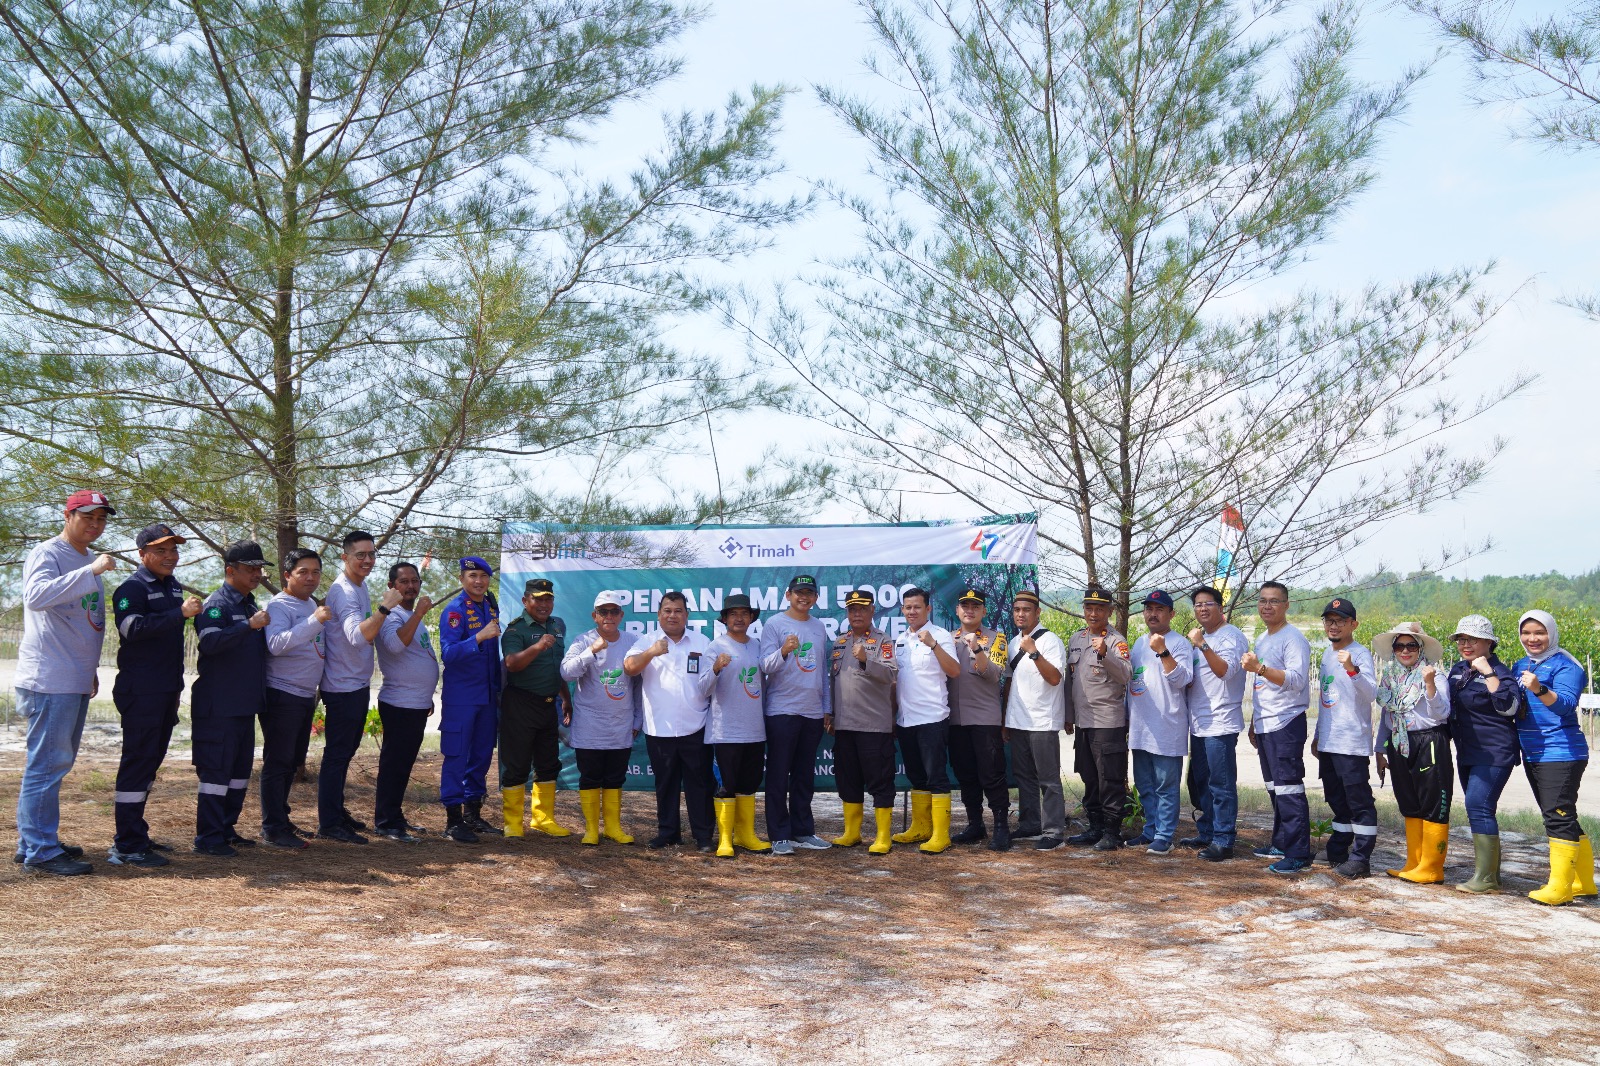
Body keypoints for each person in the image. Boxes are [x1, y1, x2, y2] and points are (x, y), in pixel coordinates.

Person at [14, 490, 117, 876]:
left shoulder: (87, 558)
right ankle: (41, 850)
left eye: (101, 519)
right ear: (67, 515)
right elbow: (36, 597)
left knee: (55, 763)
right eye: (87, 516)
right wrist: (90, 572)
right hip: (49, 678)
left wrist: (89, 668)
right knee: (46, 765)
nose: (95, 524)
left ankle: (33, 841)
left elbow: (84, 621)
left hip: (73, 677)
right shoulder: (49, 553)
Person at [107, 523, 202, 868]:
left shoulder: (171, 585)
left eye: (173, 549)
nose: (170, 556)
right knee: (137, 763)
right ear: (142, 554)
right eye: (161, 550)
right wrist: (179, 614)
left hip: (165, 689)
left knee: (149, 764)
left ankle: (136, 834)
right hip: (141, 691)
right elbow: (131, 629)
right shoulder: (131, 588)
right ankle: (127, 845)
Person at [318, 530, 402, 844]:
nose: (367, 560)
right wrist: (385, 608)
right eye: (360, 555)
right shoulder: (344, 591)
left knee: (345, 752)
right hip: (342, 686)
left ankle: (336, 812)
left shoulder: (359, 585)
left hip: (355, 683)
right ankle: (329, 823)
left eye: (371, 554)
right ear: (345, 557)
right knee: (337, 755)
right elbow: (358, 636)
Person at [190, 541, 272, 857]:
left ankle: (225, 829)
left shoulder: (250, 604)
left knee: (238, 774)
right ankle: (208, 837)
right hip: (218, 705)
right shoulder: (217, 604)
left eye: (259, 568)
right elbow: (210, 643)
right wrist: (247, 626)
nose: (256, 574)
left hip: (244, 705)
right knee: (216, 772)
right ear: (230, 570)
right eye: (250, 568)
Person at [624, 590, 718, 851]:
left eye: (678, 611)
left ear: (687, 615)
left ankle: (703, 836)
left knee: (700, 784)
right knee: (665, 784)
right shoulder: (647, 641)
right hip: (659, 727)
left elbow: (712, 678)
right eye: (667, 610)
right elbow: (629, 668)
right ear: (659, 614)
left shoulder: (702, 642)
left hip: (696, 724)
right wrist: (651, 652)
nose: (672, 615)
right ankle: (668, 833)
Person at [1512, 610, 1594, 906]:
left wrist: (1539, 688)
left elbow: (1567, 705)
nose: (1532, 638)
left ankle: (1560, 888)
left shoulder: (1567, 665)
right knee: (1562, 815)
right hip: (1533, 751)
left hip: (1561, 751)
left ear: (1552, 633)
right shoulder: (1521, 664)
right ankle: (1583, 882)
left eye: (1540, 632)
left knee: (1557, 817)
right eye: (1526, 632)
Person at [1239, 581, 1313, 874]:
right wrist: (1254, 722)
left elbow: (1297, 680)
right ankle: (1282, 842)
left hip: (1286, 721)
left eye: (1274, 601)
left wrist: (1260, 668)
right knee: (1275, 788)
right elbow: (1262, 687)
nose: (1267, 606)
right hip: (1266, 722)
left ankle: (1298, 853)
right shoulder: (1263, 638)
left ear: (1286, 605)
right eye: (1262, 601)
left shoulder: (1293, 639)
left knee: (1289, 787)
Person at [1446, 615, 1522, 894]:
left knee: (1478, 804)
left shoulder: (1500, 672)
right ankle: (1492, 875)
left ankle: (1486, 878)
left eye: (1473, 640)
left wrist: (1488, 673)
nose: (1466, 645)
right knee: (1480, 808)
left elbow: (1509, 707)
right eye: (1461, 639)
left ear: (1489, 642)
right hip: (1466, 750)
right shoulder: (1458, 670)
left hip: (1494, 751)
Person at [758, 574, 833, 853]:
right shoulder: (774, 624)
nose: (804, 597)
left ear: (816, 598)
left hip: (812, 712)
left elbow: (822, 671)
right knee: (778, 774)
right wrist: (784, 651)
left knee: (804, 775)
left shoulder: (818, 626)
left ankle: (803, 831)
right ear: (788, 595)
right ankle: (779, 835)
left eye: (809, 593)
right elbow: (765, 666)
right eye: (799, 592)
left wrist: (826, 708)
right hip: (782, 710)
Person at [261, 548, 330, 849]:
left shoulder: (311, 603)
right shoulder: (279, 605)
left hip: (303, 694)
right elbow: (276, 644)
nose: (311, 578)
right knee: (278, 762)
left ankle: (281, 818)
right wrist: (314, 620)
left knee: (291, 762)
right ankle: (272, 828)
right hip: (282, 692)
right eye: (303, 572)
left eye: (316, 572)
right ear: (287, 575)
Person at [560, 591, 642, 845]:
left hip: (621, 724)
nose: (609, 616)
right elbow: (566, 673)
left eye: (614, 611)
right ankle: (591, 829)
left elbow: (640, 685)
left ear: (621, 615)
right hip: (589, 725)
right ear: (594, 615)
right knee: (590, 778)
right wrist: (591, 651)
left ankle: (613, 828)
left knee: (615, 778)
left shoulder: (633, 642)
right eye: (603, 612)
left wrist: (637, 719)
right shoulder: (583, 640)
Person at [1372, 620, 1451, 884]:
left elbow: (1441, 713)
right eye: (1399, 646)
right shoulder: (1390, 679)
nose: (1405, 651)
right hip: (1399, 742)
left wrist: (1429, 685)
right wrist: (1380, 749)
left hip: (1428, 740)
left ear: (1421, 648)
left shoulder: (1436, 676)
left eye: (1411, 646)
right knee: (1408, 801)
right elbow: (1388, 717)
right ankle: (1414, 862)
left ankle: (1432, 867)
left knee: (1433, 802)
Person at [827, 589, 900, 854]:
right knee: (848, 780)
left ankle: (883, 836)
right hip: (844, 725)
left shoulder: (883, 640)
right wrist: (830, 713)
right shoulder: (839, 642)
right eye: (852, 609)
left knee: (880, 782)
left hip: (874, 725)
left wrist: (866, 659)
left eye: (862, 608)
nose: (857, 613)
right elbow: (832, 681)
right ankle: (851, 833)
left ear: (872, 611)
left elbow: (891, 674)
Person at [437, 556, 504, 843]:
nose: (479, 581)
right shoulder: (454, 611)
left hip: (487, 696)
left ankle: (472, 814)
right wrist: (478, 638)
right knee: (456, 756)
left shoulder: (489, 606)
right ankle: (453, 820)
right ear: (462, 579)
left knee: (481, 755)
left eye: (483, 576)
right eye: (472, 576)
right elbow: (449, 654)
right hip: (462, 697)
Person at [498, 578, 572, 839]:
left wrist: (566, 698)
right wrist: (538, 646)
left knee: (548, 763)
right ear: (525, 600)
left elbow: (556, 667)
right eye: (538, 599)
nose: (544, 604)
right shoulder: (515, 630)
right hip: (521, 703)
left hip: (548, 705)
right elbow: (512, 664)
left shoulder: (555, 626)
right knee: (517, 764)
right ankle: (513, 823)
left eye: (548, 599)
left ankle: (543, 819)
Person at [890, 586, 960, 854]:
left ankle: (941, 835)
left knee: (936, 777)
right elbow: (896, 680)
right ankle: (921, 828)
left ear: (928, 609)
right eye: (907, 607)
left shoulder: (940, 635)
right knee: (916, 777)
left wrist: (933, 645)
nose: (912, 611)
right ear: (902, 610)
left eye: (917, 607)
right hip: (905, 719)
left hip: (932, 718)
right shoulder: (900, 640)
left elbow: (954, 671)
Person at [373, 562, 439, 843]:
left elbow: (419, 656)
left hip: (415, 702)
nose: (411, 586)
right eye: (404, 582)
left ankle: (395, 816)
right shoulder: (391, 615)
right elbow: (395, 645)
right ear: (392, 586)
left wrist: (425, 695)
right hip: (399, 703)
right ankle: (386, 822)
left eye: (415, 581)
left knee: (403, 765)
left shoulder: (411, 615)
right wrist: (420, 613)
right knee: (394, 765)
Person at [1313, 598, 1379, 880]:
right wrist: (1317, 735)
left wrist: (1353, 669)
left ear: (1353, 624)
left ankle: (1361, 858)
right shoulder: (1327, 654)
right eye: (1329, 620)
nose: (1334, 626)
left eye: (1340, 621)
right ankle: (1338, 848)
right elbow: (1325, 698)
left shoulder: (1360, 654)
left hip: (1351, 741)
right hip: (1329, 740)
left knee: (1358, 801)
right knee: (1336, 799)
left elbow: (1372, 693)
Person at [1182, 586, 1248, 862]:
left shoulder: (1231, 636)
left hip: (1220, 723)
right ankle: (1208, 832)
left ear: (1220, 607)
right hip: (1198, 723)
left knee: (1221, 784)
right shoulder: (1204, 637)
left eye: (1208, 603)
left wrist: (1202, 645)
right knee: (1202, 783)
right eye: (1198, 605)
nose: (1202, 608)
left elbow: (1224, 671)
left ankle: (1224, 839)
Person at [1065, 586, 1133, 852]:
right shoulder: (1076, 638)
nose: (1093, 614)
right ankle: (1095, 827)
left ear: (1110, 611)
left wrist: (1105, 654)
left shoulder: (1116, 641)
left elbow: (1125, 676)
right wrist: (1069, 716)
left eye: (1100, 609)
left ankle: (1112, 832)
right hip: (1083, 722)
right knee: (1089, 777)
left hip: (1107, 722)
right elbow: (1071, 682)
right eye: (1089, 608)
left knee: (1109, 779)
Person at [1126, 591, 1194, 854]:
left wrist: (1163, 651)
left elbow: (1182, 680)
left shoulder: (1179, 644)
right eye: (1149, 609)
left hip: (1167, 727)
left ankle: (1164, 836)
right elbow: (1134, 681)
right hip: (1140, 726)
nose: (1152, 614)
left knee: (1166, 786)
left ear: (1171, 614)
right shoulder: (1139, 643)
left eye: (1159, 609)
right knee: (1144, 785)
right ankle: (1150, 830)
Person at [947, 588, 1011, 850]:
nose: (969, 610)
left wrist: (976, 648)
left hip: (985, 720)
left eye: (975, 606)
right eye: (965, 606)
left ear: (984, 611)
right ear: (957, 610)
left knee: (992, 775)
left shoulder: (996, 639)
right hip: (955, 720)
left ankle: (1002, 828)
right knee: (966, 775)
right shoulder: (947, 640)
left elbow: (994, 675)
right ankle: (975, 825)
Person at [707, 593, 771, 857]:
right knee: (726, 785)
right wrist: (715, 668)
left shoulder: (758, 646)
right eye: (733, 614)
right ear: (724, 619)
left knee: (749, 784)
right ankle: (725, 839)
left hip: (754, 729)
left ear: (752, 618)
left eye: (744, 613)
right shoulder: (715, 647)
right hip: (725, 731)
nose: (739, 618)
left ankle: (745, 835)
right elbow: (702, 689)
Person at [1004, 591, 1067, 851]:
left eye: (1026, 610)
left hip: (1043, 720)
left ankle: (1054, 831)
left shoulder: (1051, 640)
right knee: (1024, 777)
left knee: (1048, 780)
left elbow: (1054, 678)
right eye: (1017, 609)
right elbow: (1009, 682)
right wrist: (1004, 720)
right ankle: (1030, 824)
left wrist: (1034, 652)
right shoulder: (1011, 643)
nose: (1021, 614)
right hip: (1017, 719)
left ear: (1037, 612)